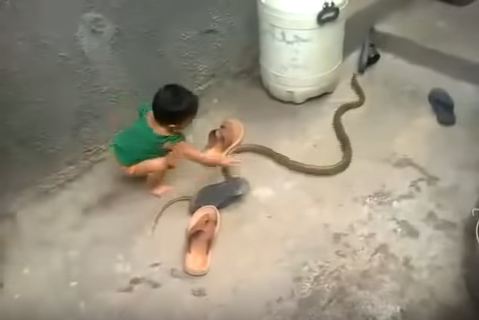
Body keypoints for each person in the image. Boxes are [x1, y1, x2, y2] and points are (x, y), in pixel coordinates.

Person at [111, 84, 238, 197]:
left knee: (151, 145)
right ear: (173, 127)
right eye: (189, 120)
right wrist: (220, 160)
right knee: (164, 163)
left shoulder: (147, 111)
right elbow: (202, 158)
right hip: (129, 165)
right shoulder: (173, 140)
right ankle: (155, 187)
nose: (191, 122)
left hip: (119, 145)